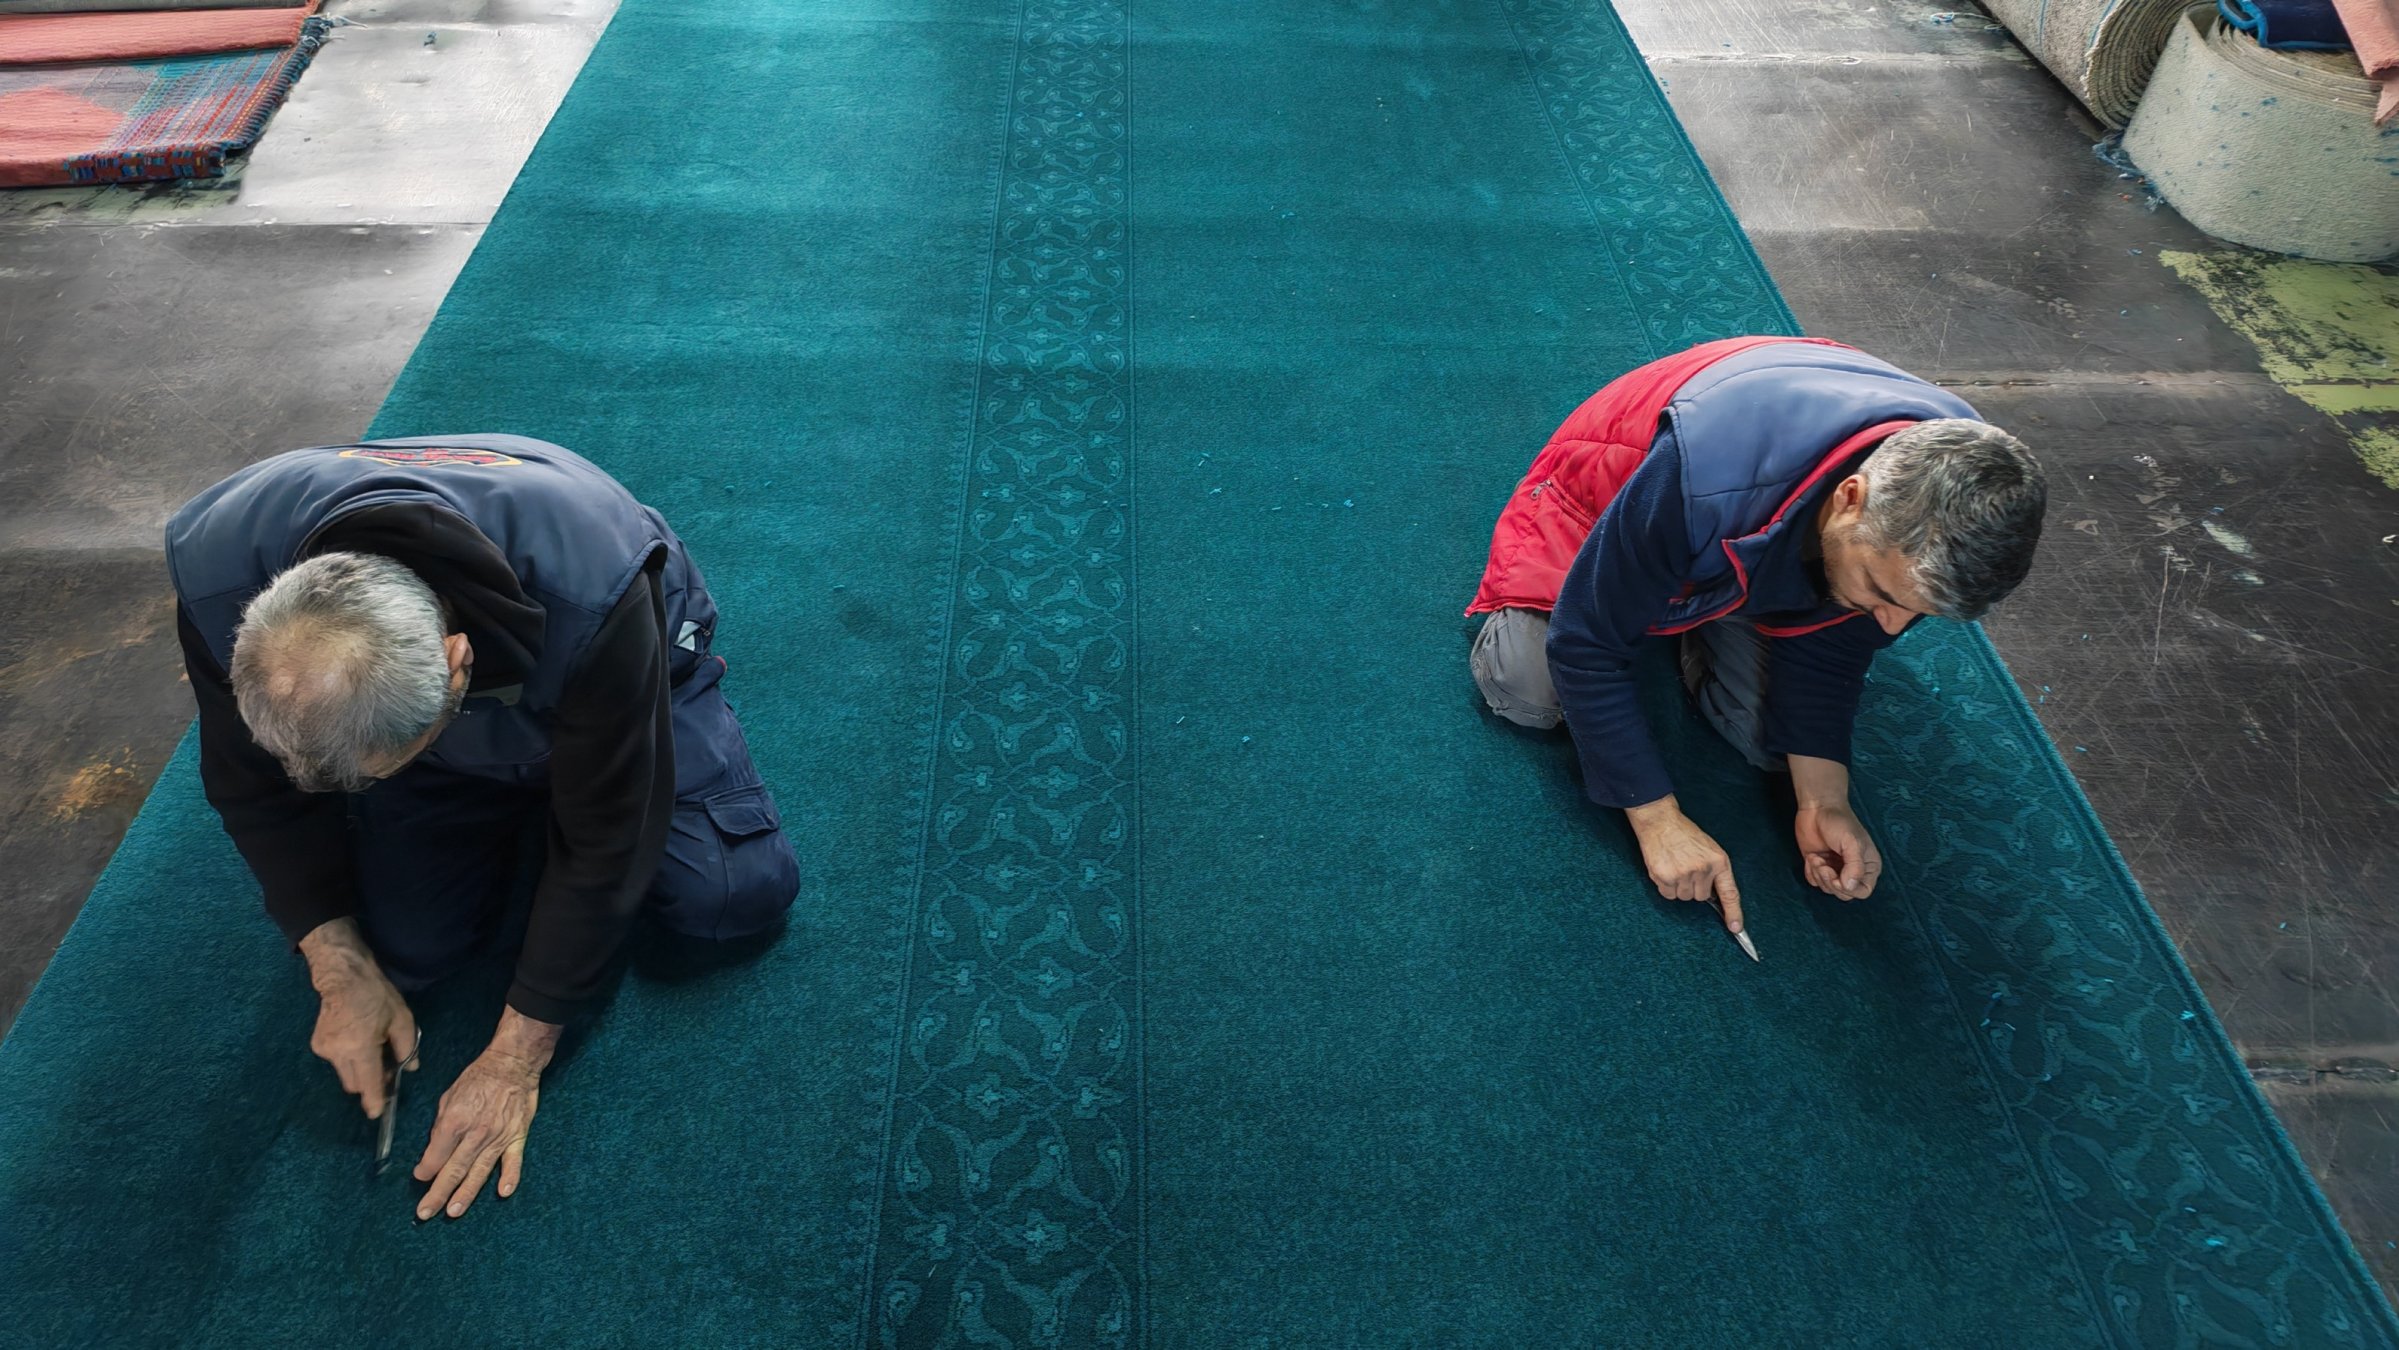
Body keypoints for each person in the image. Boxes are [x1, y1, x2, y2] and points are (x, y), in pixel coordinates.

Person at [166, 434, 800, 1220]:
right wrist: (336, 965)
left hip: (619, 665)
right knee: (407, 954)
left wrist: (513, 1061)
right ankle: (450, 781)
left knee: (727, 900)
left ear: (457, 662)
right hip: (438, 713)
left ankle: (534, 769)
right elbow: (250, 784)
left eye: (383, 767)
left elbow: (609, 830)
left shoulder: (592, 583)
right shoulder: (214, 567)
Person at [1468, 336, 2046, 942]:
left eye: (1913, 611)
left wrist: (1824, 802)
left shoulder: (1965, 499)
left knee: (1777, 746)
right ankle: (1689, 596)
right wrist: (1657, 819)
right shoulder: (1702, 470)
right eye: (1883, 591)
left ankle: (1707, 599)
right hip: (1606, 495)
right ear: (1850, 499)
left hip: (1748, 518)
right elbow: (1585, 643)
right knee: (1529, 688)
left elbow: (1835, 642)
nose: (1891, 627)